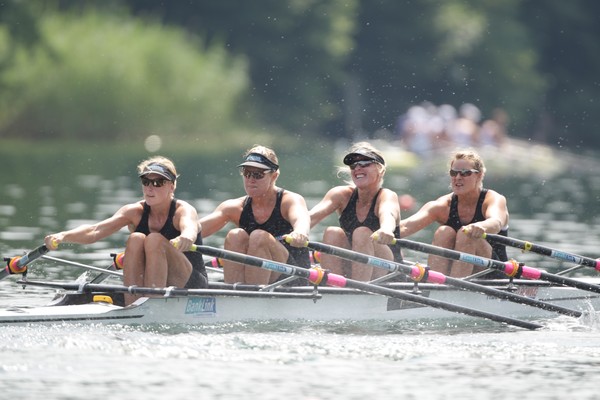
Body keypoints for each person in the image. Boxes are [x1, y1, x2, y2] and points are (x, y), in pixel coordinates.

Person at [44, 156, 207, 304]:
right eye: (146, 182)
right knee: (136, 238)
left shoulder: (183, 210)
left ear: (172, 186)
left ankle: (150, 304)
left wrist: (186, 237)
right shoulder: (134, 212)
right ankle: (133, 304)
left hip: (191, 283)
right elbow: (94, 231)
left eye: (158, 182)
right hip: (155, 283)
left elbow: (190, 227)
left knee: (154, 239)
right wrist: (63, 236)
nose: (150, 188)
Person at [198, 145, 311, 285]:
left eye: (258, 174)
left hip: (293, 278)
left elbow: (301, 219)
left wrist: (300, 232)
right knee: (235, 236)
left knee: (259, 236)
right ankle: (233, 296)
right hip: (261, 280)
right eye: (247, 173)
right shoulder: (234, 207)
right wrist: (177, 237)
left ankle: (251, 296)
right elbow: (196, 230)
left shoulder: (289, 200)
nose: (251, 179)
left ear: (274, 176)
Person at [400, 149, 509, 278]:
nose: (458, 177)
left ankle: (452, 289)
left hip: (493, 274)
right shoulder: (443, 205)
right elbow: (404, 227)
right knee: (444, 232)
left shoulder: (493, 199)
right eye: (454, 173)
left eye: (465, 173)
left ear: (479, 175)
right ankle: (434, 286)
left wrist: (482, 226)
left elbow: (496, 222)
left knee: (466, 234)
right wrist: (380, 232)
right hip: (456, 274)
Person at [309, 142, 402, 281]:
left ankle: (358, 291)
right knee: (332, 233)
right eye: (353, 165)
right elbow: (311, 217)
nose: (358, 168)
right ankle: (332, 287)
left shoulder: (386, 196)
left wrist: (386, 229)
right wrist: (295, 230)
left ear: (380, 170)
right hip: (355, 265)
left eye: (365, 163)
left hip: (389, 272)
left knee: (362, 232)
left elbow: (388, 214)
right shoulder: (341, 195)